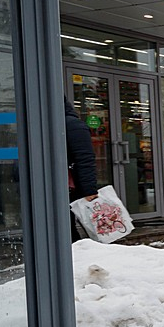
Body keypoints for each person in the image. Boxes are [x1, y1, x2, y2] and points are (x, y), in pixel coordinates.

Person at [65, 101, 100, 241]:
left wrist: (89, 190)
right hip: (54, 186)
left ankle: (75, 257)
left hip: (67, 188)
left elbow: (85, 158)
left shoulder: (72, 125)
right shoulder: (37, 123)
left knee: (67, 228)